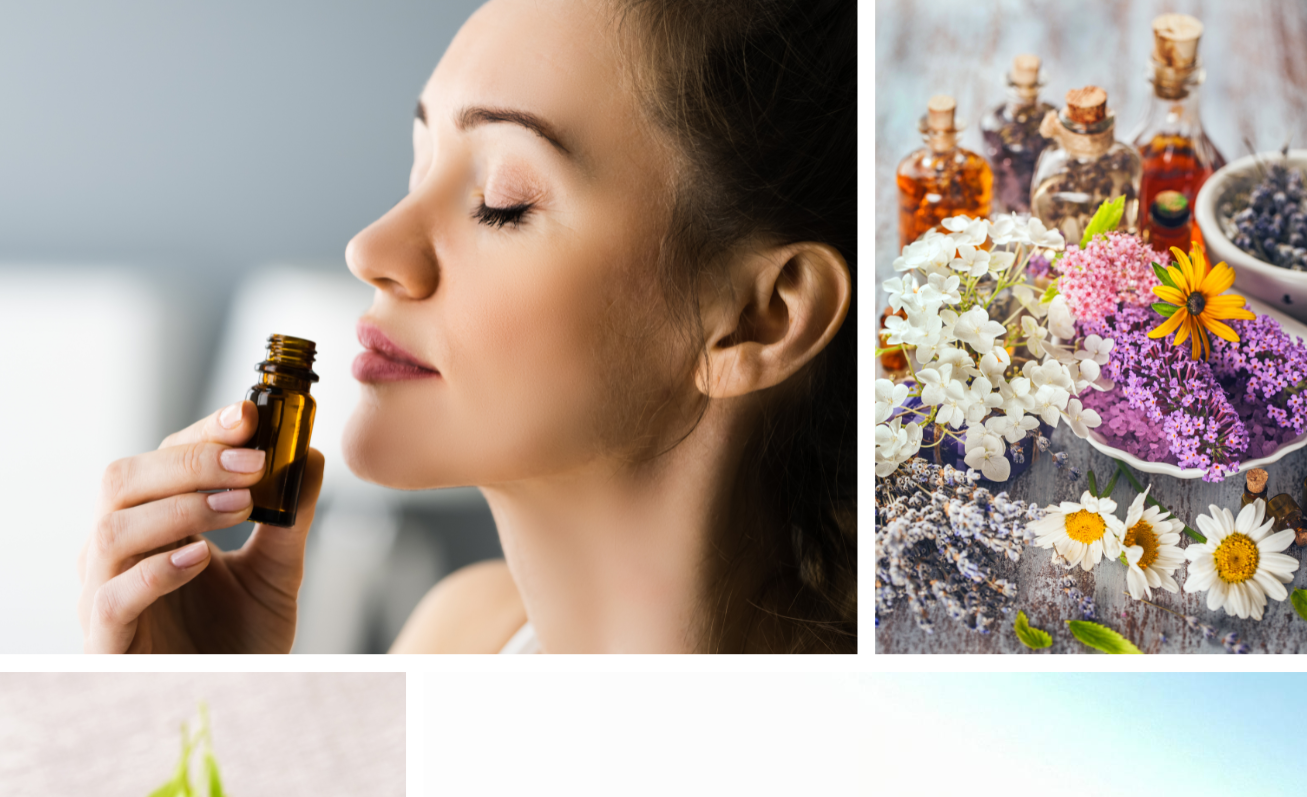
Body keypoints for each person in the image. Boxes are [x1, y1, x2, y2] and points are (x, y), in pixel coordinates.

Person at [76, 0, 855, 656]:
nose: (370, 249)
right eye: (419, 169)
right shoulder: (460, 637)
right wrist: (214, 699)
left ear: (763, 316)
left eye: (501, 200)